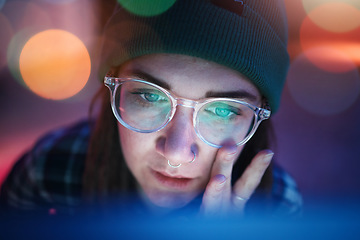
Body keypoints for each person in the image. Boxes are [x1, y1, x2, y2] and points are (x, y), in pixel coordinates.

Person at [0, 0, 302, 217]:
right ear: (112, 92)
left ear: (259, 117)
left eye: (223, 110)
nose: (175, 152)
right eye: (149, 96)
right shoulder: (50, 174)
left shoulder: (277, 207)